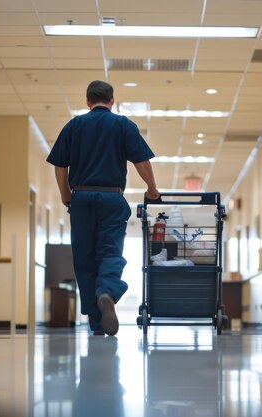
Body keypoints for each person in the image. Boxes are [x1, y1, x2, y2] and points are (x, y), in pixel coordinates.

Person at [47, 80, 160, 336]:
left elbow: (59, 165)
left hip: (81, 197)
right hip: (111, 197)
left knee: (84, 258)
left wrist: (65, 194)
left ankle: (97, 323)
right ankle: (107, 291)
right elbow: (140, 160)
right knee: (110, 251)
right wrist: (152, 187)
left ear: (87, 102)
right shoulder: (122, 125)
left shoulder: (74, 125)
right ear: (112, 101)